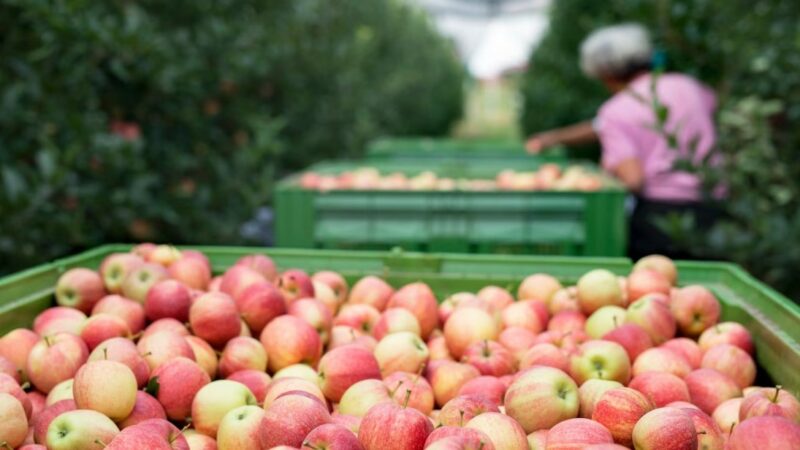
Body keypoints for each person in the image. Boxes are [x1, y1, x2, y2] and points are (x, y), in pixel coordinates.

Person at [526, 23, 719, 259]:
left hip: (660, 220)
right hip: (714, 208)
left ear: (606, 73)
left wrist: (604, 173)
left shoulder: (617, 110)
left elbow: (633, 179)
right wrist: (554, 138)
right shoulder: (690, 87)